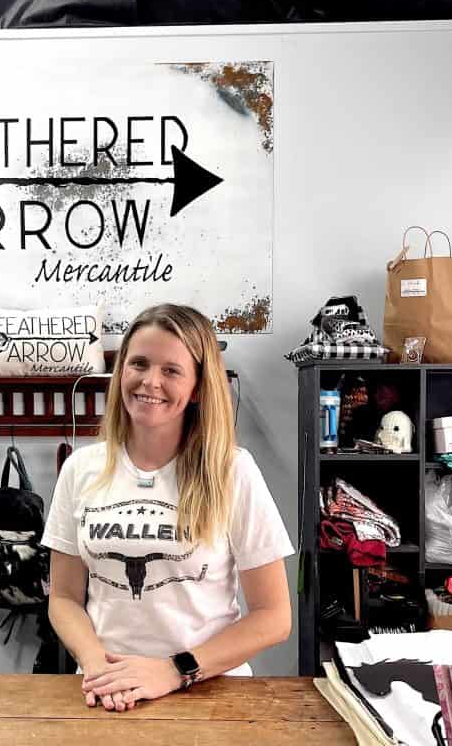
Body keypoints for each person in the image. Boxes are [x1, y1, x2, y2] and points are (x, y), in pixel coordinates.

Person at [43, 304, 293, 711]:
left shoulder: (232, 471)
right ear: (121, 370)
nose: (149, 381)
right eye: (138, 363)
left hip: (210, 693)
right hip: (106, 695)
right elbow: (65, 597)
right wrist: (96, 666)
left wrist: (173, 671)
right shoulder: (80, 469)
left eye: (171, 370)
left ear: (197, 387)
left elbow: (274, 616)